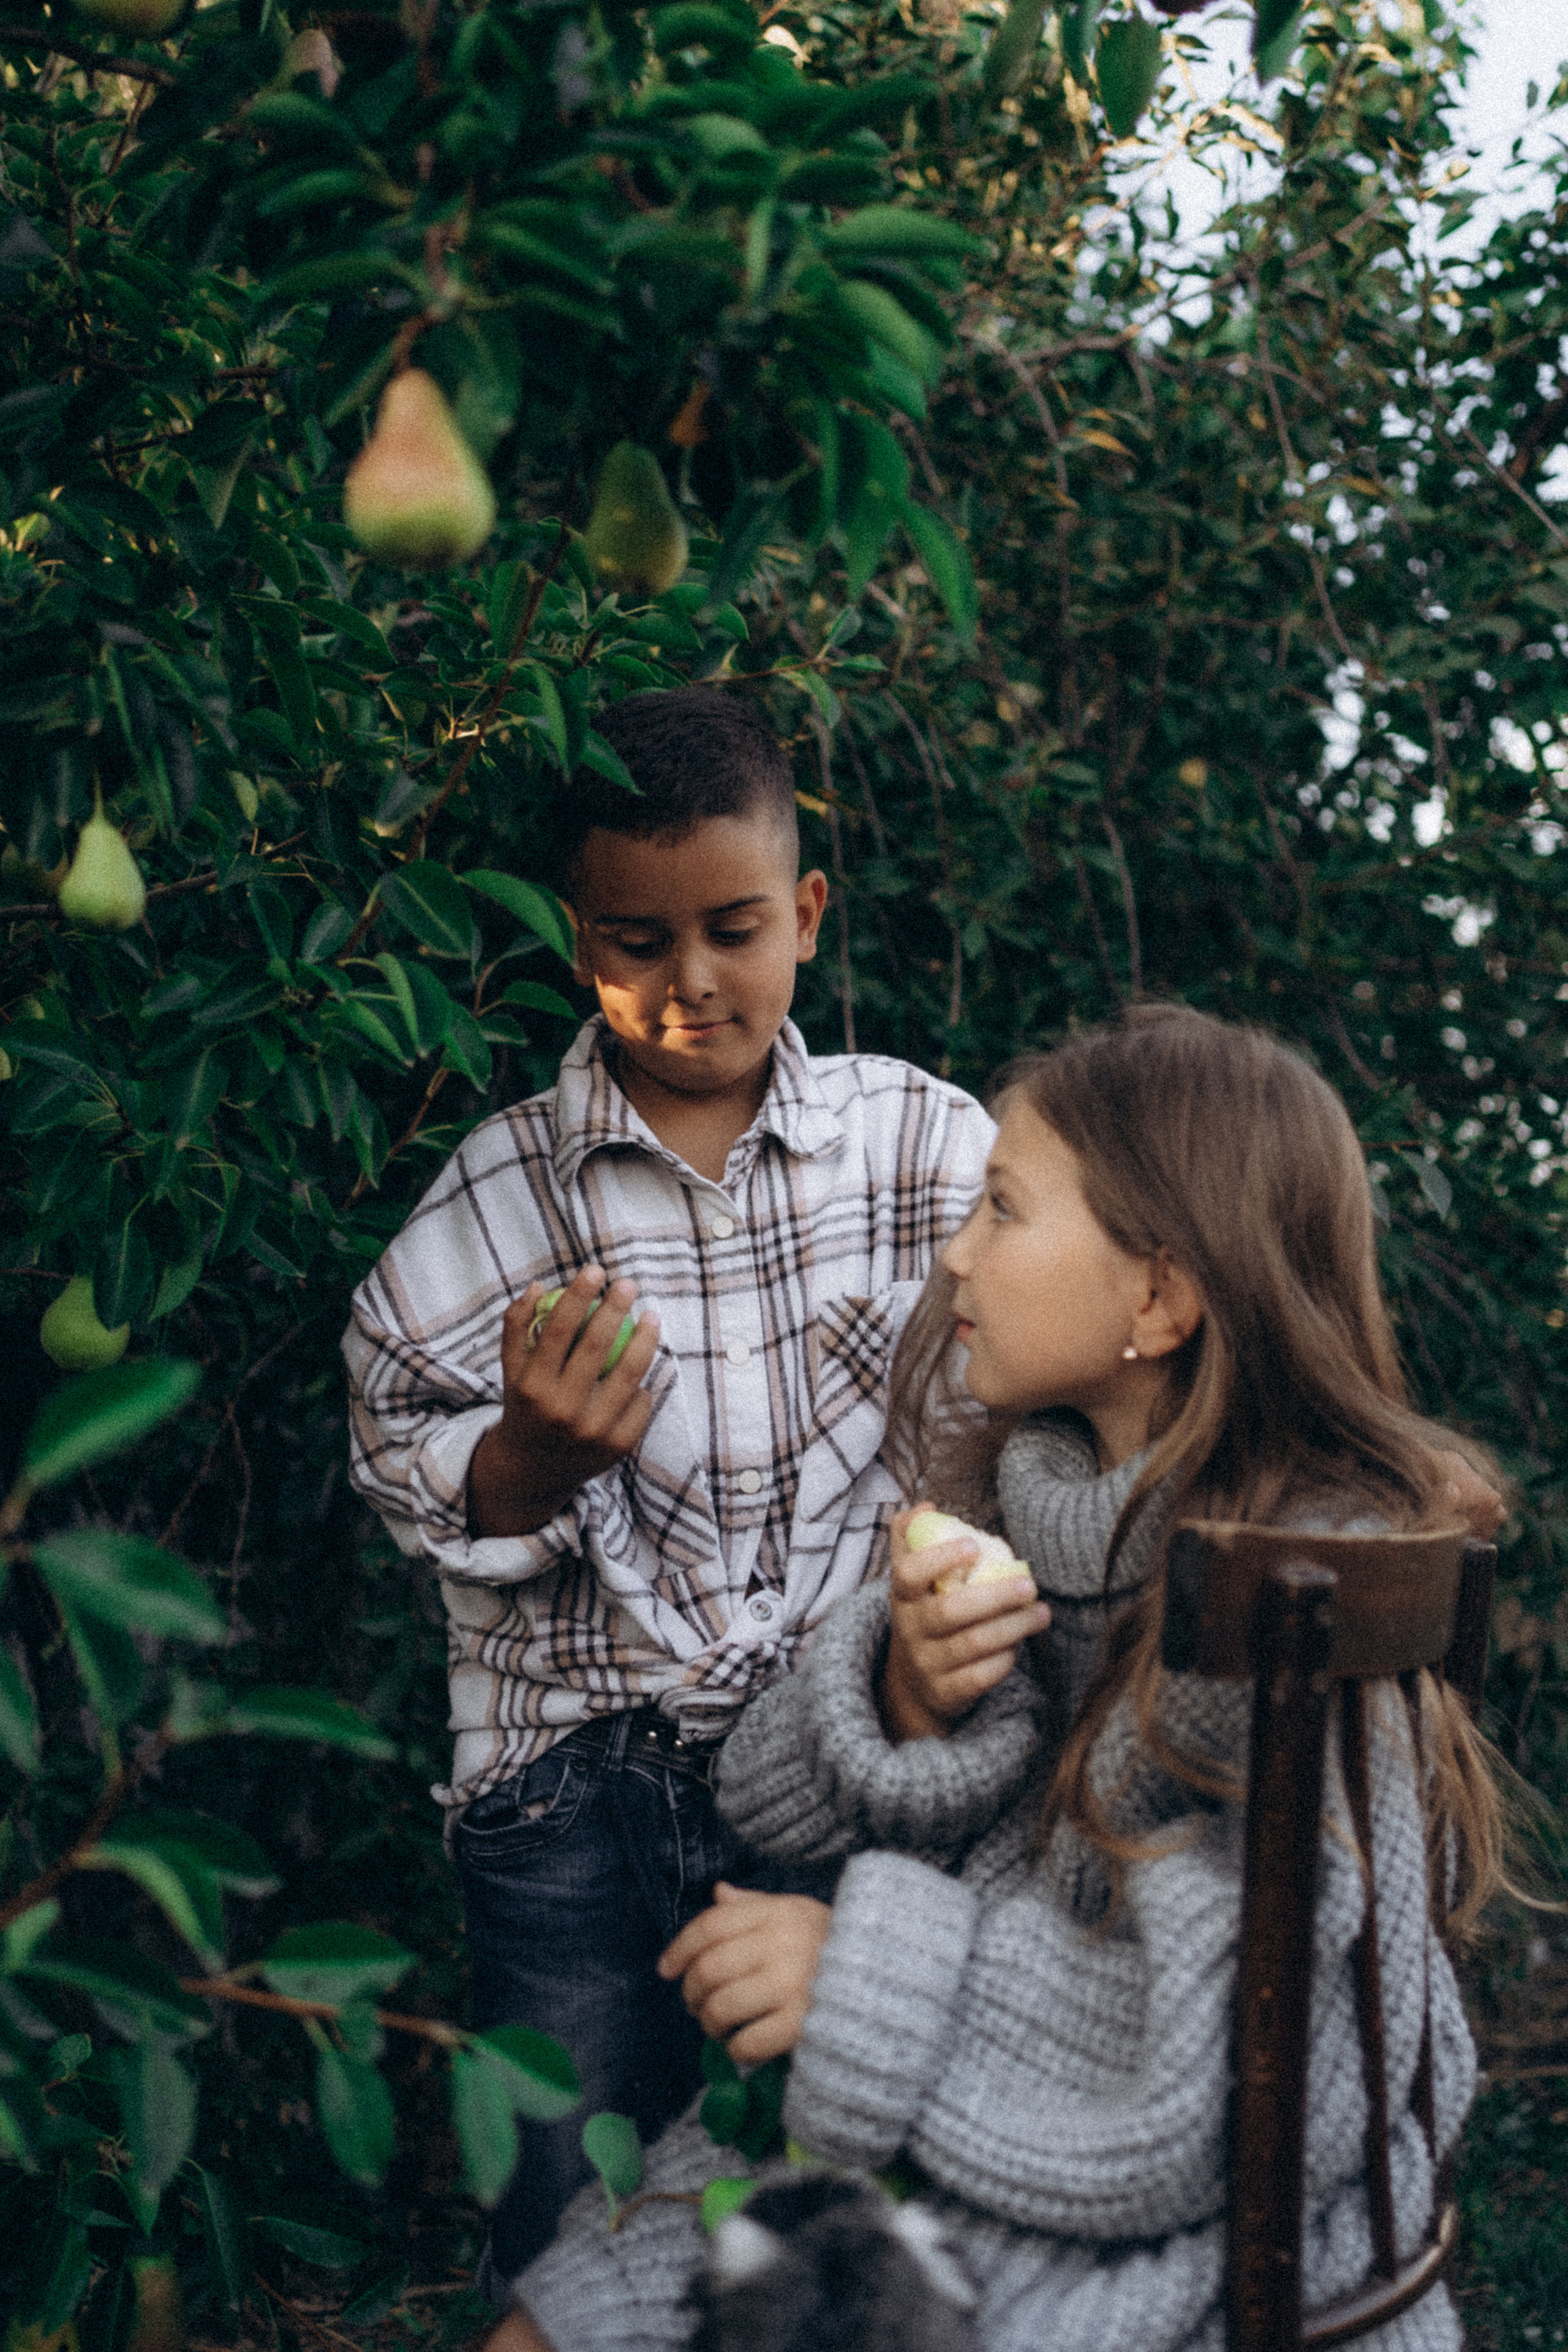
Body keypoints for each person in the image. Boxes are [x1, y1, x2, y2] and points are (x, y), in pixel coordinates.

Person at [486, 1004, 1505, 2352]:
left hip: (1148, 2207)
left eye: (1003, 1208)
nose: (956, 1253)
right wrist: (908, 1696)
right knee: (551, 2321)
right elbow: (759, 1792)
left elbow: (1279, 2040)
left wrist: (861, 1976)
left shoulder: (1296, 1590)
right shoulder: (1034, 1510)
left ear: (1159, 1298)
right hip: (939, 2115)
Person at [342, 687, 993, 2299]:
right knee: (569, 2203)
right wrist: (526, 1458)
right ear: (578, 941)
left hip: (837, 1764)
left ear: (807, 915)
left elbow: (1010, 1398)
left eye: (734, 929)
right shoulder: (500, 1200)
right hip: (567, 1789)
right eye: (638, 940)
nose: (691, 979)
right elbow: (394, 1433)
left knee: (818, 2186)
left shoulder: (920, 1149)